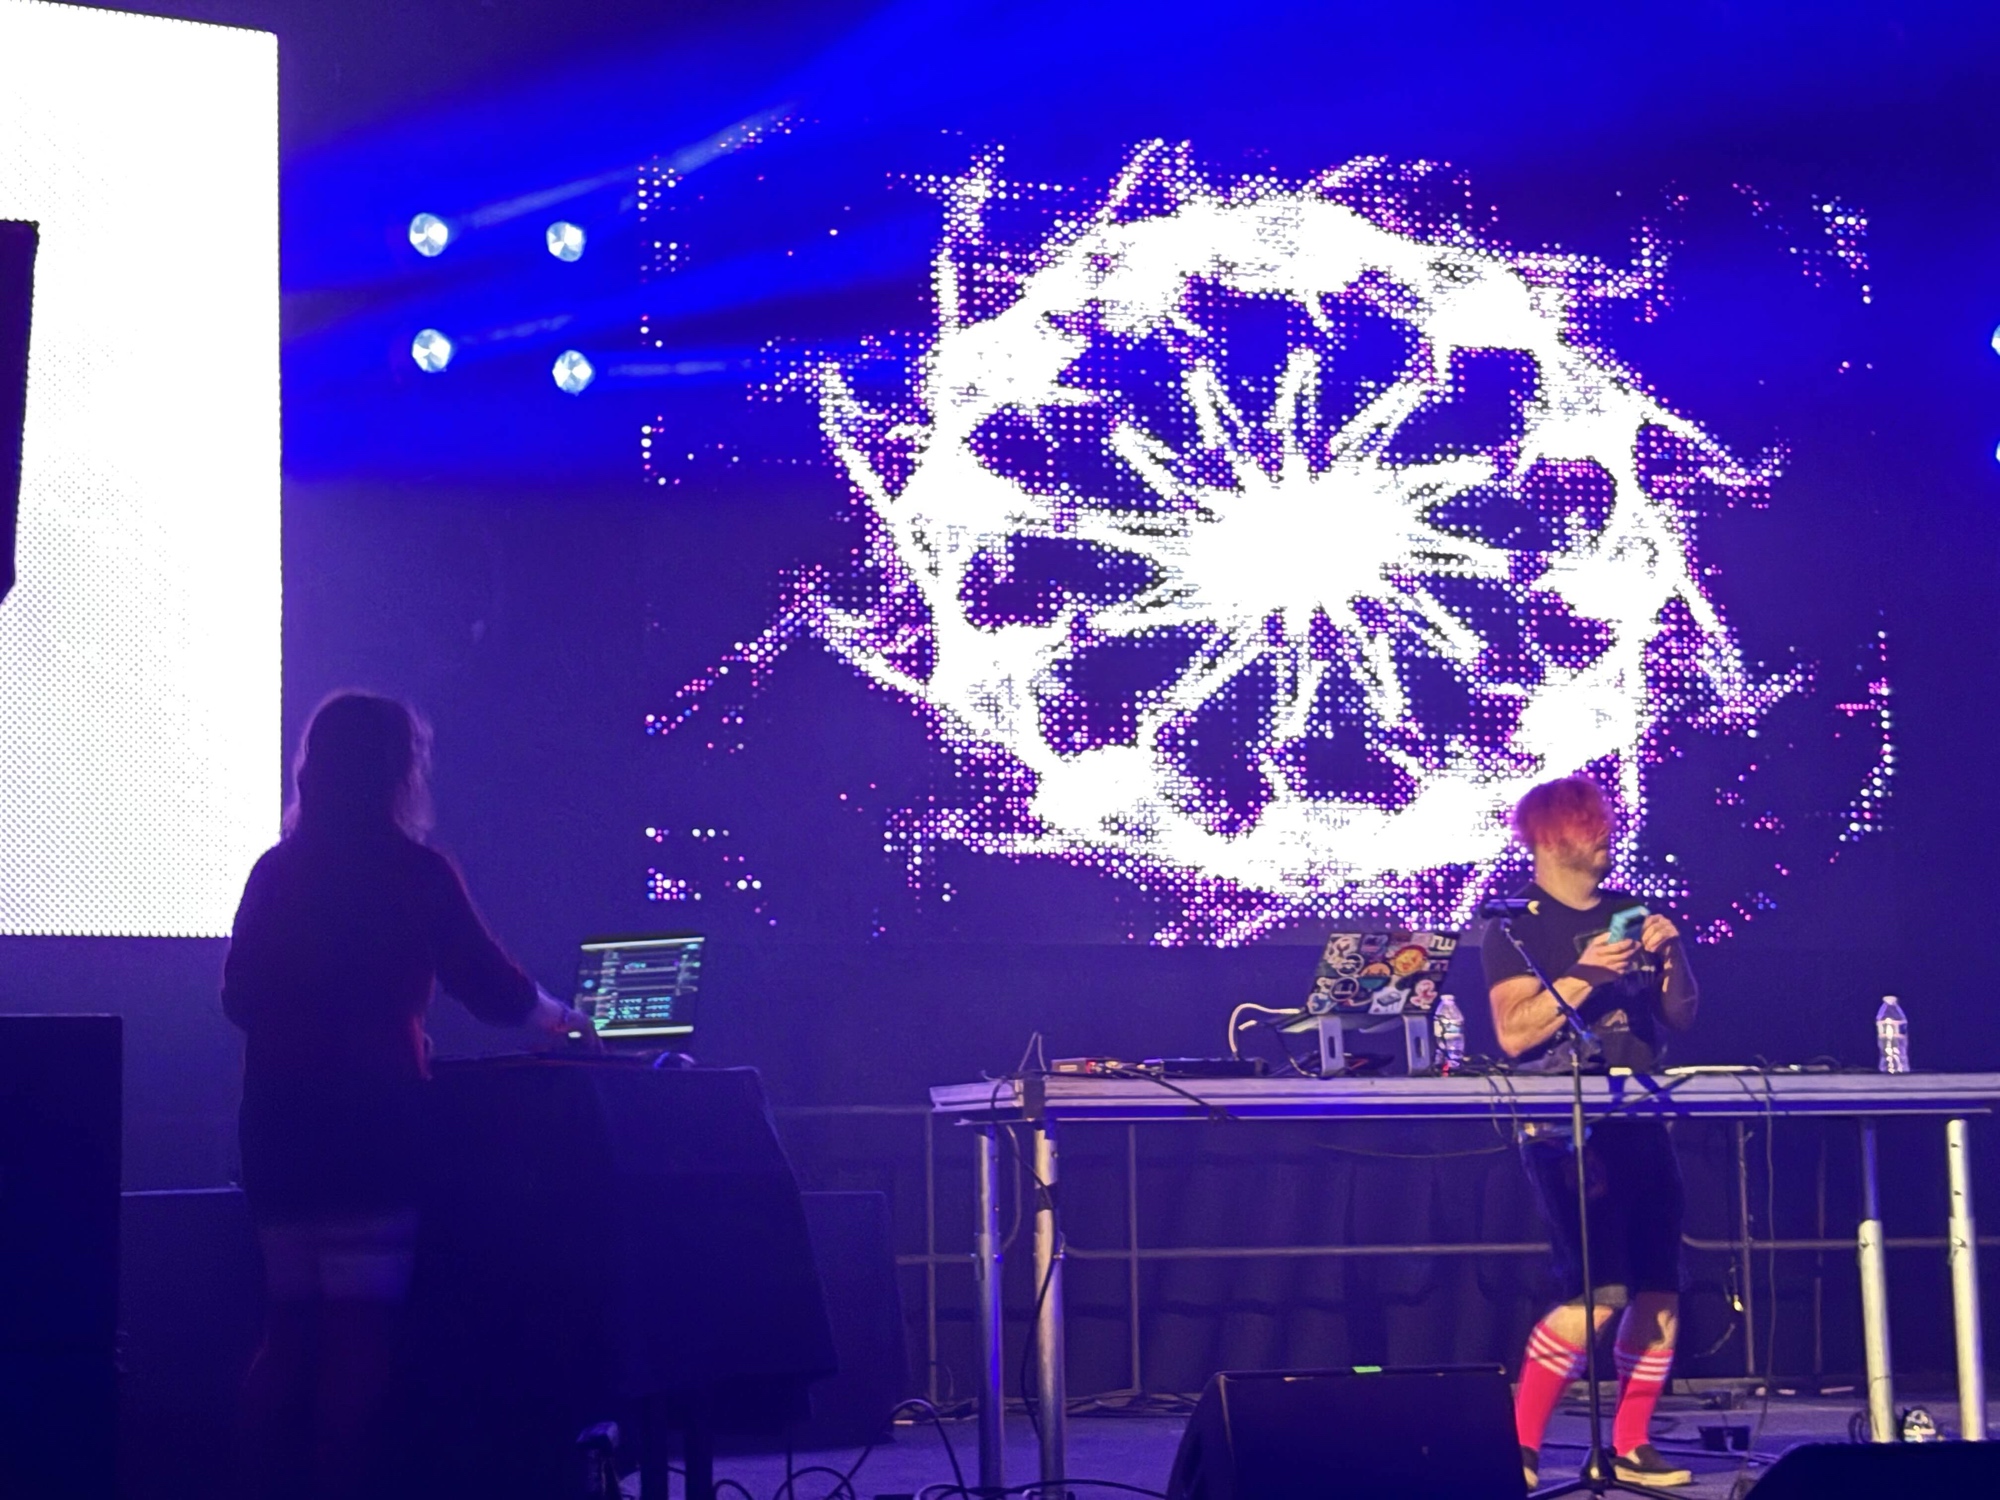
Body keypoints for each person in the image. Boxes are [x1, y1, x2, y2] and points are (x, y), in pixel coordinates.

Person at [221, 692, 593, 1499]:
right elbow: (490, 988)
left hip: (279, 1129)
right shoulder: (412, 872)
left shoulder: (276, 871)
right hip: (371, 1130)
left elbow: (237, 999)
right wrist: (564, 1021)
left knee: (288, 1334)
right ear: (399, 770)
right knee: (358, 1341)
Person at [1481, 776, 1699, 1491]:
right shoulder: (1516, 925)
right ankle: (1519, 1447)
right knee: (1597, 1292)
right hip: (1566, 1126)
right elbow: (1514, 1034)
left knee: (1659, 1287)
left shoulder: (1628, 911)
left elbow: (1681, 1015)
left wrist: (1675, 955)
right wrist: (1583, 972)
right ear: (1550, 836)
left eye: (1606, 821)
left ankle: (1630, 1444)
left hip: (1640, 1112)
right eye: (1589, 822)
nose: (1606, 834)